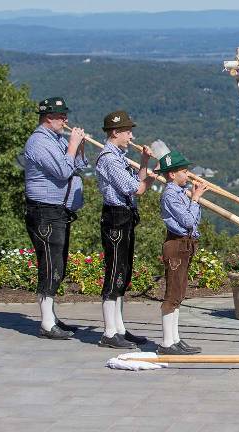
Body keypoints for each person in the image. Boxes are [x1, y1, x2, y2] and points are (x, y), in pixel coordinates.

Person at [23, 97, 86, 340]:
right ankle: (47, 323)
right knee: (50, 264)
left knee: (58, 264)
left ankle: (51, 317)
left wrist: (78, 146)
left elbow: (76, 164)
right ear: (48, 118)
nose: (66, 120)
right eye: (61, 116)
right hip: (44, 211)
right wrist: (72, 144)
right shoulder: (38, 142)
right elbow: (61, 171)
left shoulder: (57, 139)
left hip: (58, 211)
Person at [95, 110, 155, 349]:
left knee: (124, 271)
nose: (131, 135)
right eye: (127, 131)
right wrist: (155, 175)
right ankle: (110, 332)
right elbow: (136, 189)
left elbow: (136, 183)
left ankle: (119, 328)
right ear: (115, 132)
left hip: (125, 215)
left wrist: (145, 164)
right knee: (115, 271)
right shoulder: (109, 158)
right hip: (115, 217)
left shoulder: (118, 156)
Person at [156, 150, 207, 355]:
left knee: (180, 292)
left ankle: (175, 338)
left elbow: (194, 220)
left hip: (185, 244)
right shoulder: (170, 194)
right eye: (184, 171)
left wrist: (193, 199)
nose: (187, 175)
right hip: (176, 245)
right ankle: (167, 343)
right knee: (172, 293)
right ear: (171, 175)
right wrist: (195, 199)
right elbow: (187, 221)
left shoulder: (180, 192)